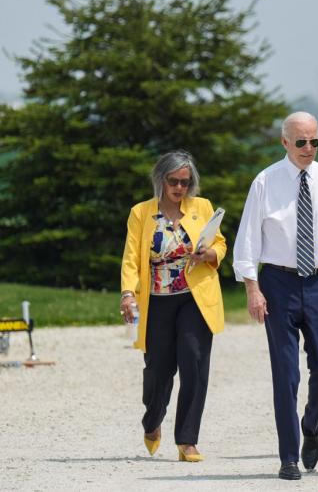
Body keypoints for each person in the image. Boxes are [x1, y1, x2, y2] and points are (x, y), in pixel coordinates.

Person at [232, 111, 318, 481]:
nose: (308, 148)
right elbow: (248, 240)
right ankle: (288, 456)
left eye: (314, 141)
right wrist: (252, 288)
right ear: (285, 142)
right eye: (301, 142)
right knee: (286, 374)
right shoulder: (265, 182)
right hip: (278, 284)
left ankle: (311, 422)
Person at [119, 150, 226, 463]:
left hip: (195, 297)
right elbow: (130, 257)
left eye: (185, 182)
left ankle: (187, 440)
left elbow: (219, 242)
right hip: (157, 301)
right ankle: (152, 421)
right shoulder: (141, 213)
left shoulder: (202, 207)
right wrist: (128, 293)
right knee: (159, 371)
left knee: (194, 363)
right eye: (174, 181)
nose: (180, 188)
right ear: (160, 180)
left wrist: (211, 254)